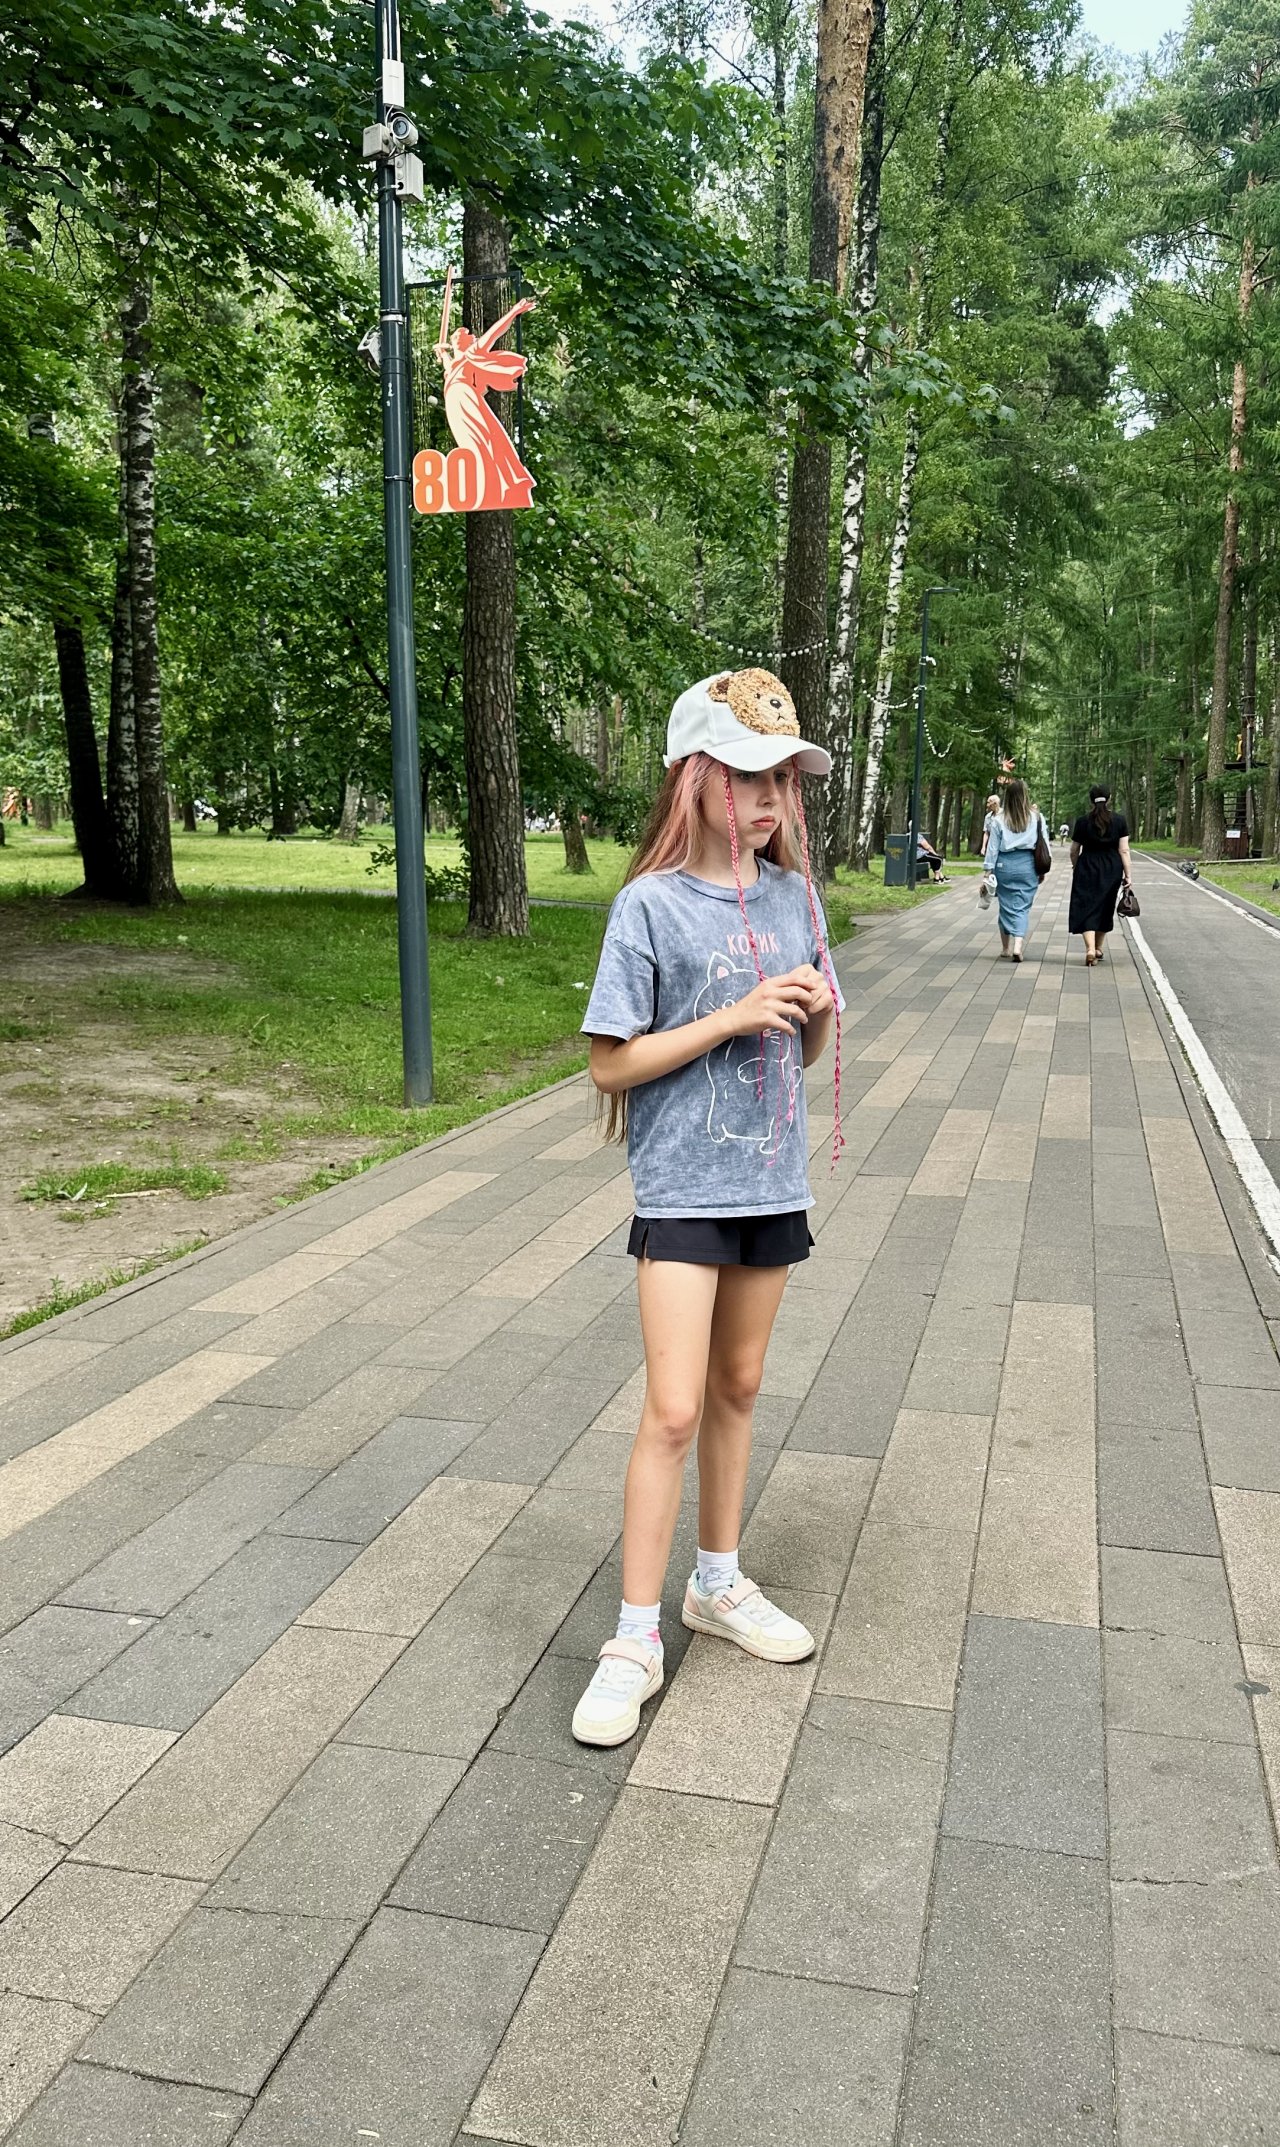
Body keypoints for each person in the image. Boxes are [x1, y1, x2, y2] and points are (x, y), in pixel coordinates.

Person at [572, 666, 844, 1748]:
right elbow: (609, 1063)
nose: (772, 799)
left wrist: (809, 1011)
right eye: (751, 777)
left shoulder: (796, 899)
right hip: (682, 1187)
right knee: (674, 1407)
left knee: (738, 1386)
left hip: (772, 1182)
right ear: (696, 777)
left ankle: (716, 1583)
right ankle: (634, 1636)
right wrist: (732, 1014)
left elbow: (807, 1049)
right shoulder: (648, 905)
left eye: (784, 779)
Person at [985, 776, 1049, 963]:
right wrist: (1043, 870)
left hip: (1004, 865)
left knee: (1005, 905)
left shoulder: (999, 819)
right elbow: (1044, 843)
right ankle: (1018, 946)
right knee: (1021, 907)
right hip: (1028, 865)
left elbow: (992, 848)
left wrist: (987, 873)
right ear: (1025, 796)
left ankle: (1005, 948)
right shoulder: (1036, 817)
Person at [1069, 784, 1132, 966]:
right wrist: (1128, 875)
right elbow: (1124, 850)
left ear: (1091, 800)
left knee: (1086, 906)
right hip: (1112, 868)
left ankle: (1089, 948)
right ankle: (1098, 947)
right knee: (1105, 906)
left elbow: (1074, 850)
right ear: (1109, 799)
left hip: (1087, 866)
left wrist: (1076, 866)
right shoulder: (1119, 821)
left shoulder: (1082, 821)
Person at [980, 794, 1001, 860]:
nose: (987, 805)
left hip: (1002, 845)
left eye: (989, 803)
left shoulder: (1004, 815)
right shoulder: (988, 817)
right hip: (992, 845)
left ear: (995, 803)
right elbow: (986, 833)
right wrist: (983, 847)